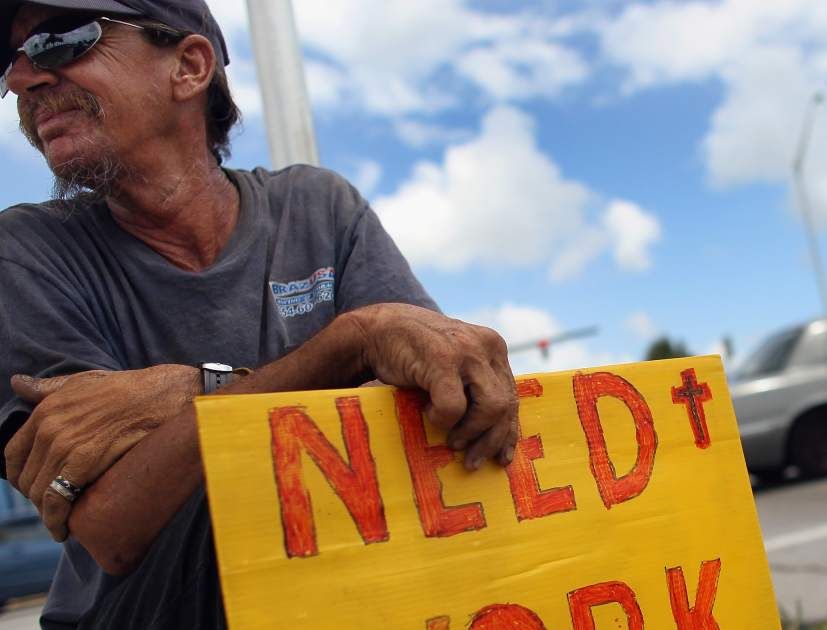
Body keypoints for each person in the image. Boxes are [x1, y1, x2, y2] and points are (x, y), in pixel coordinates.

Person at [0, 0, 520, 627]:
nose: (23, 79)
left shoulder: (319, 208)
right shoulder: (25, 254)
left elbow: (437, 412)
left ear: (189, 67)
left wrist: (188, 399)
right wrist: (347, 343)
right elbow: (113, 526)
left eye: (62, 41)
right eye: (12, 58)